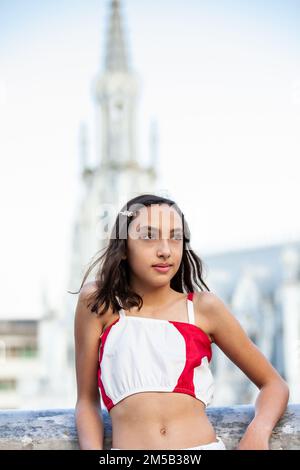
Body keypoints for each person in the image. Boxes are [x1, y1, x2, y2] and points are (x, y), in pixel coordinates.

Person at [73, 194, 289, 450]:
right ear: (122, 247)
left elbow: (274, 385)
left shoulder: (203, 308)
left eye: (175, 237)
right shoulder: (98, 303)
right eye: (149, 236)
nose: (165, 250)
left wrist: (259, 431)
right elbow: (87, 402)